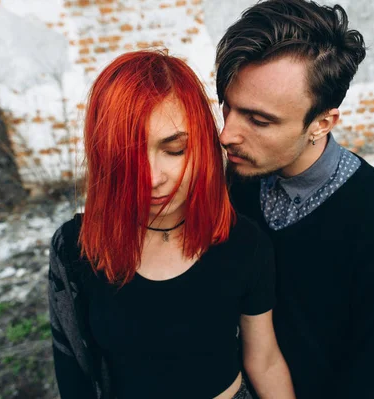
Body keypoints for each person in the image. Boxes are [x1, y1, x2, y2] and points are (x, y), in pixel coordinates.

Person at [48, 50, 295, 399]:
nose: (151, 178)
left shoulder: (244, 242)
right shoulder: (76, 247)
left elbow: (265, 360)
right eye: (129, 156)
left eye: (175, 149)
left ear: (204, 147)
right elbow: (72, 371)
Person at [216, 1, 374, 398]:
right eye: (227, 106)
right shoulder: (237, 178)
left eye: (258, 120)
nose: (227, 134)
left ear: (322, 123)